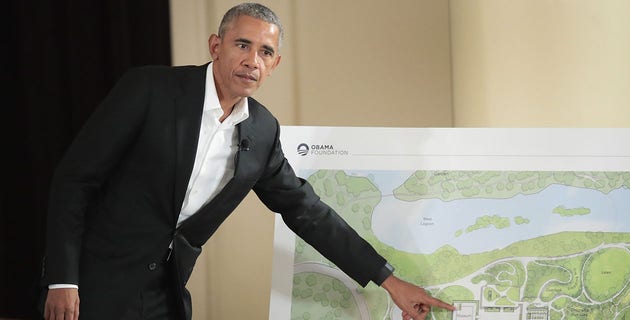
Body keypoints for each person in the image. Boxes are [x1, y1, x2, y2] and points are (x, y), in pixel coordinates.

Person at [41, 3, 455, 320]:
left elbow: (305, 210)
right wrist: (63, 279)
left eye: (265, 51)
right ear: (215, 46)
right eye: (242, 45)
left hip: (164, 293)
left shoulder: (262, 131)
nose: (251, 60)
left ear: (274, 65)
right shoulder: (149, 89)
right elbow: (75, 181)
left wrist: (389, 281)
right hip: (91, 285)